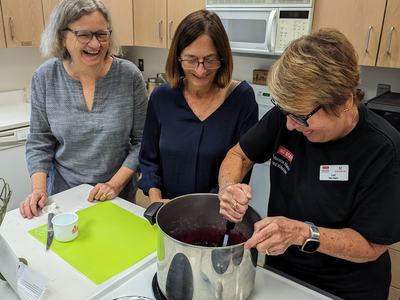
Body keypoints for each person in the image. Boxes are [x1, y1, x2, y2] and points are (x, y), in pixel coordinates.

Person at [218, 29, 400, 300]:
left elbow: (372, 245)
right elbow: (239, 155)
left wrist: (303, 233)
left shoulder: (384, 149)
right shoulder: (288, 116)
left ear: (344, 102)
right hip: (283, 272)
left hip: (344, 289)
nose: (290, 125)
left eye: (302, 118)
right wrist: (229, 188)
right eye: (286, 112)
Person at [20, 0, 147, 219]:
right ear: (62, 37)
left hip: (117, 196)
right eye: (84, 35)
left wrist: (113, 185)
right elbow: (40, 142)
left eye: (101, 34)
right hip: (63, 197)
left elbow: (142, 142)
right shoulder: (45, 77)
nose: (95, 44)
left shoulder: (129, 76)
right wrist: (39, 190)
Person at [138, 10, 258, 202]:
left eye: (210, 60)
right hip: (166, 211)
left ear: (223, 58)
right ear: (178, 57)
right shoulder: (162, 97)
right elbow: (148, 159)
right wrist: (156, 199)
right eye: (191, 59)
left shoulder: (241, 99)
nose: (200, 70)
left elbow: (242, 164)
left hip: (215, 212)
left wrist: (202, 210)